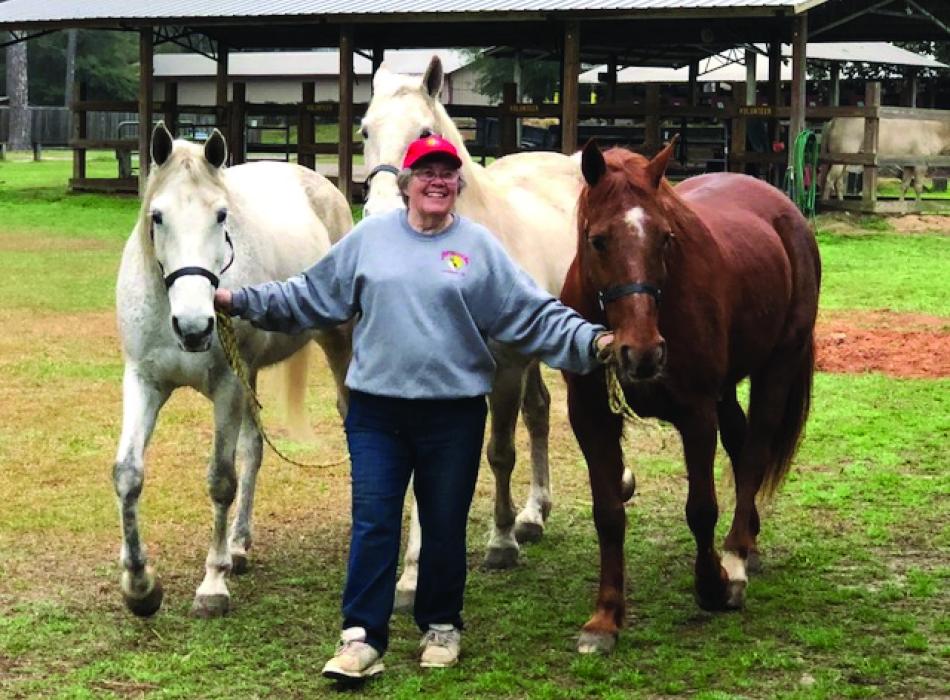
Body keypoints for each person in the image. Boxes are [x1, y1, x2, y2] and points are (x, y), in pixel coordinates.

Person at [214, 135, 613, 680]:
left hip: (453, 414)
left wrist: (592, 342)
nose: (437, 181)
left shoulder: (479, 246)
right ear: (404, 185)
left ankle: (442, 625)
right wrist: (241, 300)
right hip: (377, 413)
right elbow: (310, 294)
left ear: (458, 184)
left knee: (445, 524)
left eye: (447, 172)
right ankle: (360, 637)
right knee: (374, 523)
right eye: (425, 172)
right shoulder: (370, 239)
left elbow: (532, 312)